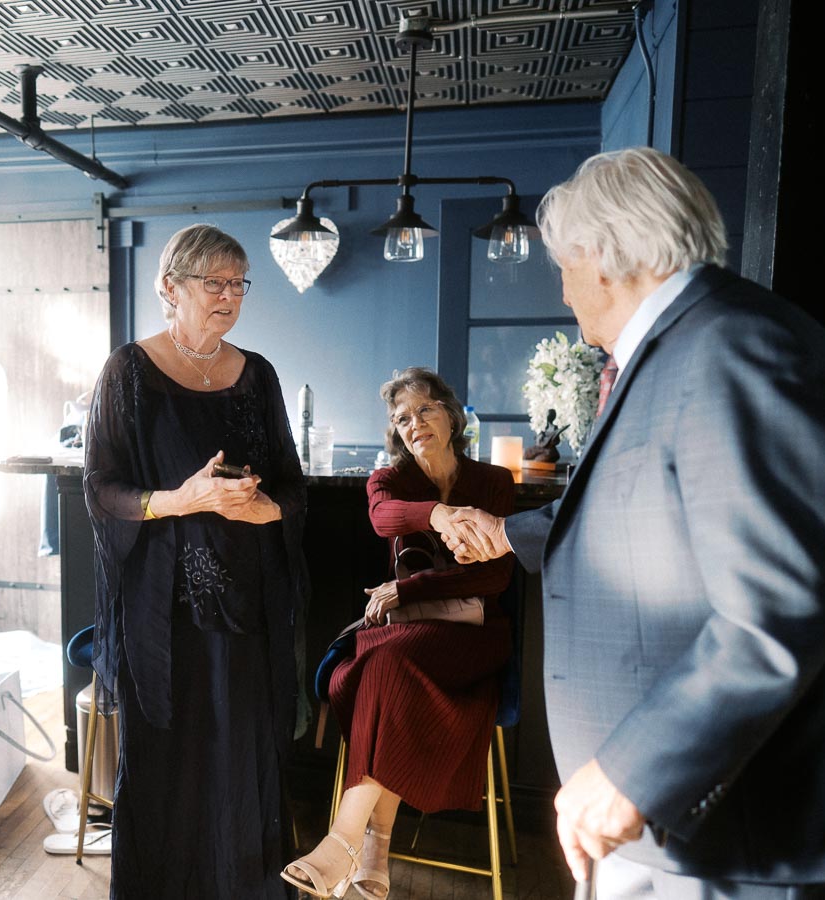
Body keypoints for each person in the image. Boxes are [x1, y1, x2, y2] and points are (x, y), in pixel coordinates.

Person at [435, 147, 825, 899]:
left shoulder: (732, 352)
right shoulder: (698, 346)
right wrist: (509, 531)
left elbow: (778, 611)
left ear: (602, 257)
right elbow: (639, 511)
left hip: (731, 839)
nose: (566, 294)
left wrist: (633, 769)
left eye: (563, 267)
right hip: (680, 834)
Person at [83, 224, 308, 899]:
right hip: (164, 610)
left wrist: (261, 508)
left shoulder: (257, 374)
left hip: (247, 605)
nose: (230, 296)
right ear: (169, 288)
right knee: (169, 769)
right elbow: (102, 489)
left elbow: (292, 488)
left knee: (243, 760)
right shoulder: (129, 372)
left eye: (239, 284)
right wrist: (180, 500)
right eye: (216, 283)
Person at [281, 367, 515, 899]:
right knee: (379, 670)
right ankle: (367, 852)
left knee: (375, 673)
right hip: (406, 638)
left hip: (474, 635)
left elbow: (494, 576)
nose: (415, 423)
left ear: (450, 415)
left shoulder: (495, 482)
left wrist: (406, 590)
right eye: (402, 418)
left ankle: (350, 842)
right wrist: (441, 515)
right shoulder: (388, 483)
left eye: (425, 409)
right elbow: (385, 519)